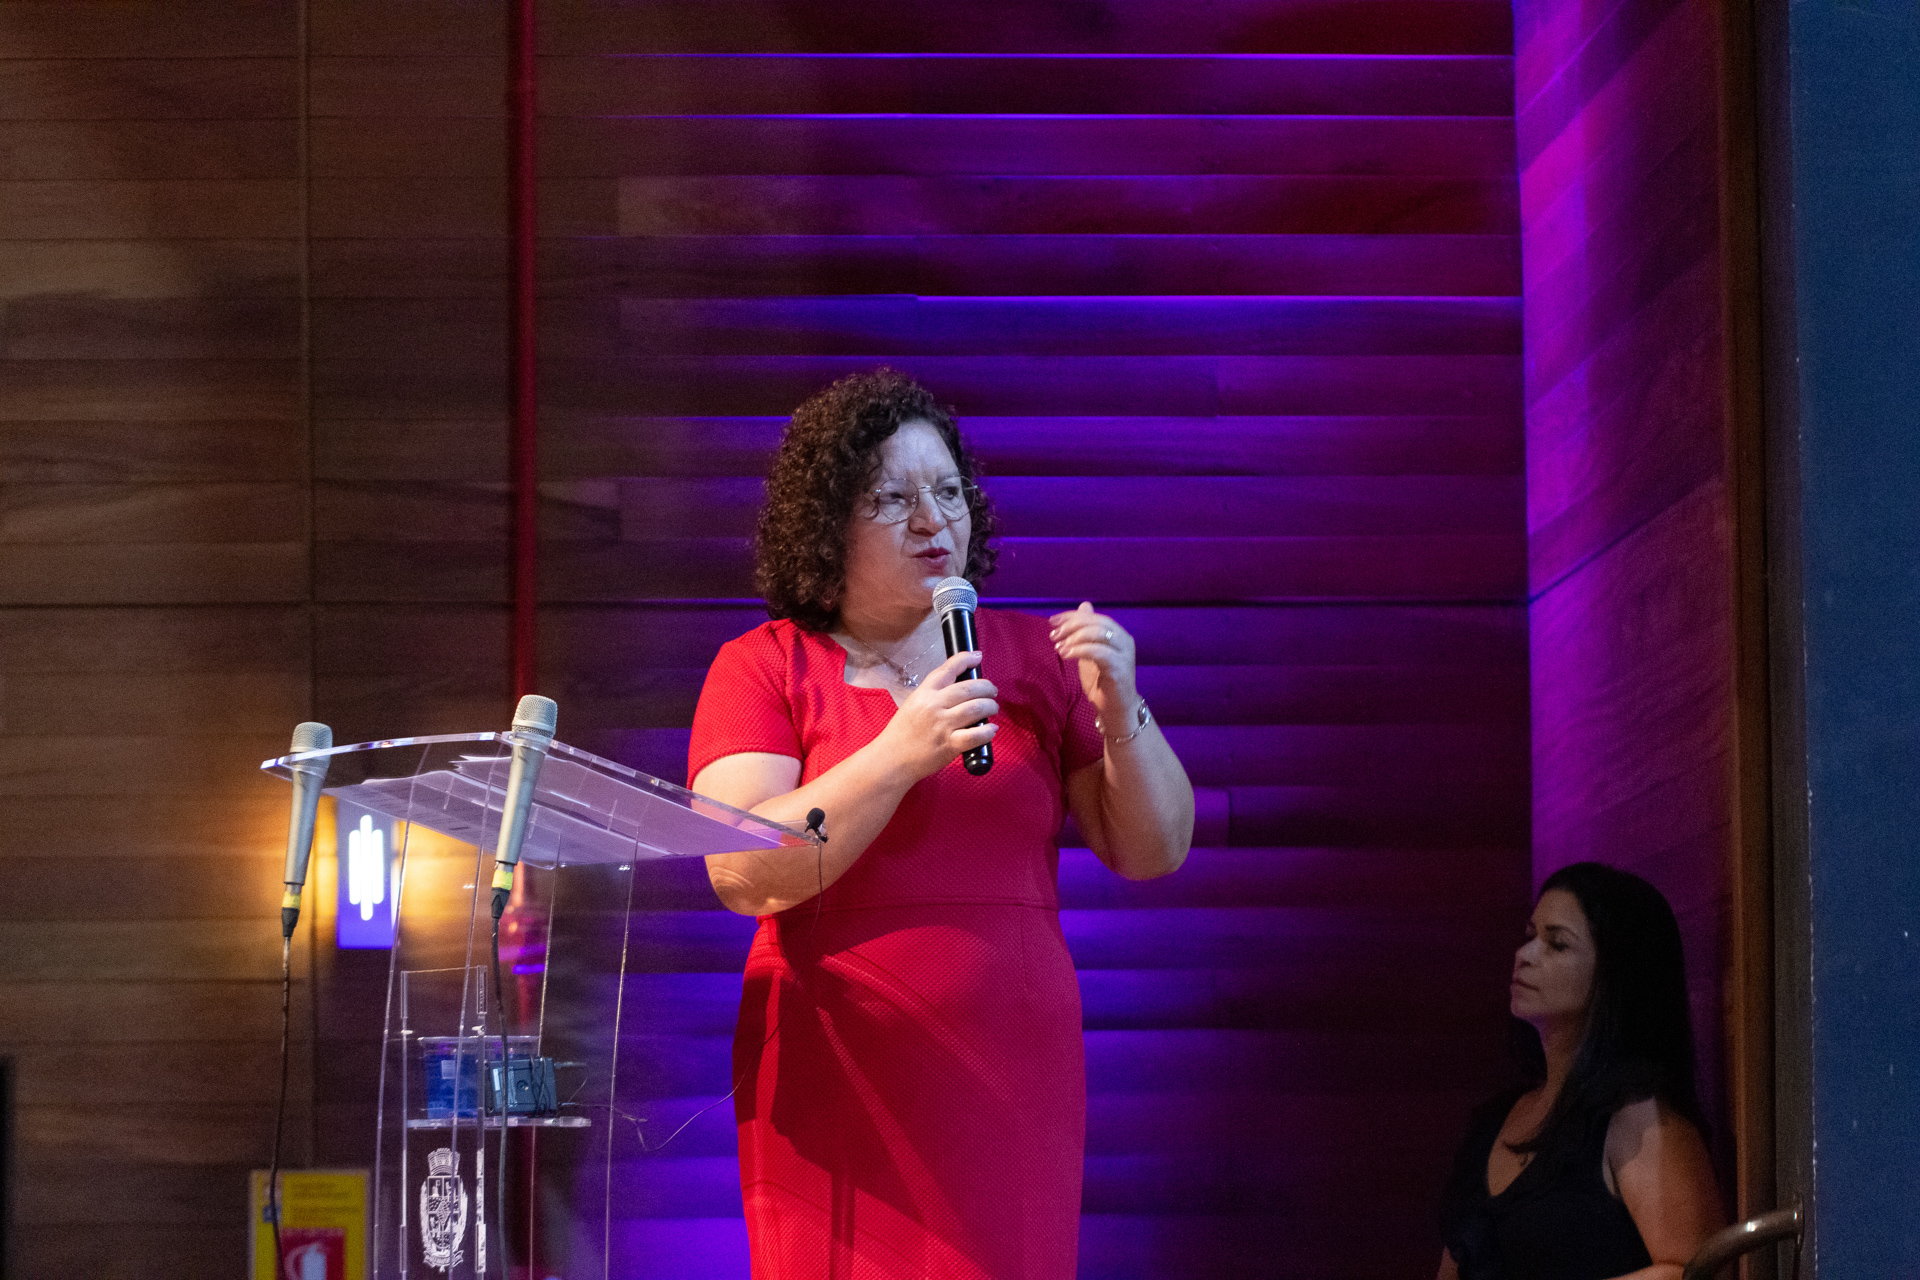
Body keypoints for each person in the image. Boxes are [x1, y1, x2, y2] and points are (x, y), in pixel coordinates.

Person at [687, 368, 1195, 1279]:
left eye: (949, 492)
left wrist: (1123, 706)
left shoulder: (1036, 657)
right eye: (893, 499)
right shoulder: (764, 665)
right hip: (838, 1058)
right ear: (828, 524)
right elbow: (741, 870)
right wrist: (898, 753)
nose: (933, 521)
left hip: (1011, 1063)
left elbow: (1153, 849)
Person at [1436, 862, 1724, 1280]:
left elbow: (1695, 1270)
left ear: (1615, 971)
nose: (1524, 955)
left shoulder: (1637, 1118)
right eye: (1530, 936)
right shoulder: (1491, 1121)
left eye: (1557, 944)